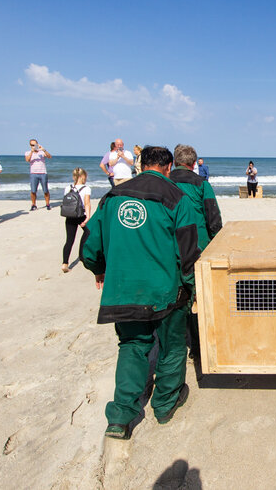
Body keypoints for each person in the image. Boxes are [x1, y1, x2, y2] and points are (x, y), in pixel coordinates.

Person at [82, 146, 201, 440]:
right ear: (169, 166)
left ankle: (120, 417)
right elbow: (188, 253)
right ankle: (164, 404)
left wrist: (98, 268)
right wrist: (194, 288)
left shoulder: (112, 197)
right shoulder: (177, 197)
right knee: (172, 348)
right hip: (166, 291)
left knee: (132, 346)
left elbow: (90, 245)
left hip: (123, 290)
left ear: (140, 164)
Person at [170, 144, 223, 358]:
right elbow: (213, 217)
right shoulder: (202, 184)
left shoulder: (165, 183)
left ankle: (178, 342)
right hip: (198, 245)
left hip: (171, 245)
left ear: (174, 162)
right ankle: (199, 348)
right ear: (194, 164)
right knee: (197, 296)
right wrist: (218, 242)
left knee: (177, 293)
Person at [61, 167, 91, 273]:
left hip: (69, 216)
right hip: (80, 215)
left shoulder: (67, 188)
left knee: (69, 240)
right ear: (83, 177)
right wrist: (87, 217)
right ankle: (81, 255)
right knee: (89, 232)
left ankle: (65, 263)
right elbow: (87, 203)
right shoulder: (86, 188)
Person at [25, 138, 52, 210]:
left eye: (34, 144)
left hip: (43, 173)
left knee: (45, 190)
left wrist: (43, 149)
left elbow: (49, 157)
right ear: (30, 145)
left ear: (37, 144)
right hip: (33, 173)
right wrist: (32, 152)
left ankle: (47, 204)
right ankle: (33, 204)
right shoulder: (28, 152)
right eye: (32, 145)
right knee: (33, 191)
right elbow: (27, 160)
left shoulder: (41, 152)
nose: (33, 146)